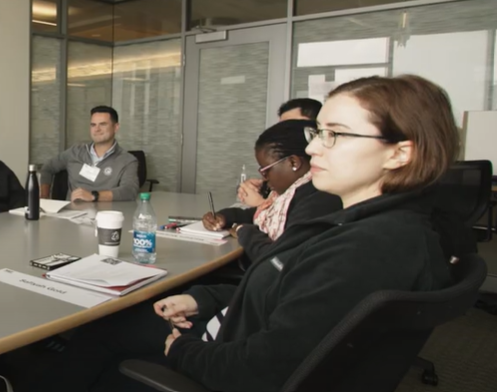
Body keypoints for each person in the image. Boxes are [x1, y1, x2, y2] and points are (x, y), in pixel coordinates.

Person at [31, 74, 459, 392]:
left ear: (401, 153)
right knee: (110, 332)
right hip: (231, 324)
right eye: (317, 133)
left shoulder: (364, 250)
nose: (311, 149)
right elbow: (291, 293)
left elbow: (263, 368)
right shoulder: (370, 225)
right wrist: (205, 296)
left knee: (99, 341)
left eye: (336, 135)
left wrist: (180, 349)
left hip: (225, 358)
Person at [201, 119, 341, 262]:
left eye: (266, 170)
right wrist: (224, 217)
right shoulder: (291, 193)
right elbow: (257, 214)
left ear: (293, 162)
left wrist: (243, 231)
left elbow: (278, 260)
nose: (265, 178)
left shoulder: (317, 201)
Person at [38, 105, 139, 202]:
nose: (97, 129)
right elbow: (47, 168)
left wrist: (94, 196)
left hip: (106, 216)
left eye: (103, 124)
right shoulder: (75, 152)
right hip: (72, 215)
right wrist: (44, 198)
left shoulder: (127, 160)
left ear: (116, 127)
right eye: (93, 125)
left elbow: (129, 191)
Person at [240, 98, 326, 205]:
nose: (284, 132)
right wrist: (254, 190)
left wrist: (261, 205)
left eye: (292, 125)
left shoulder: (324, 180)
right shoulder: (285, 172)